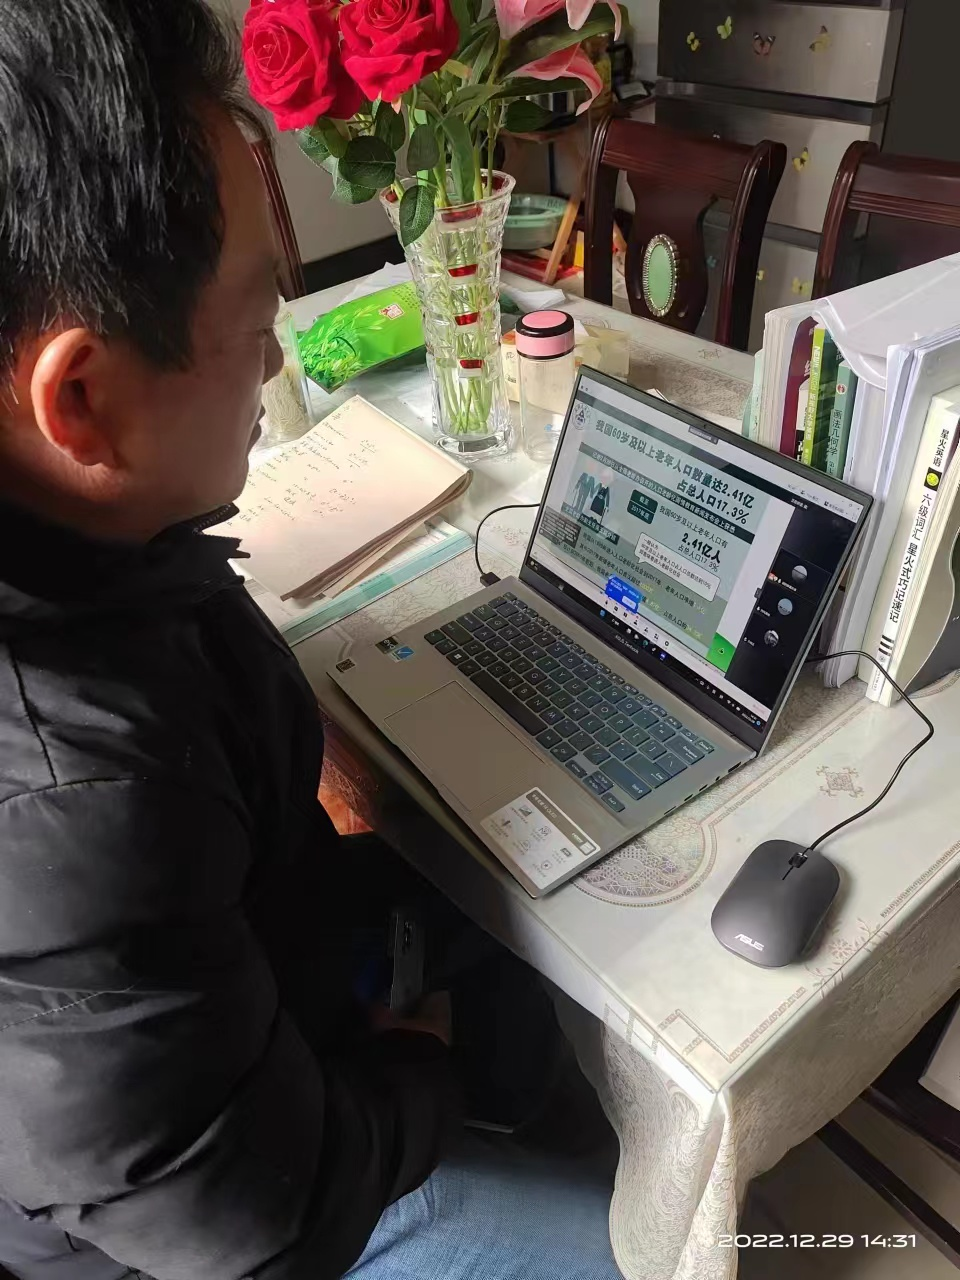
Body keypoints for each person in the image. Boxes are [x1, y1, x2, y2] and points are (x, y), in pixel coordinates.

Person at [0, 2, 624, 1277]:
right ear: (83, 400)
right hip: (209, 1229)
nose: (276, 352)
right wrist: (419, 1076)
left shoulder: (87, 544)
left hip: (243, 1002)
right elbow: (248, 1220)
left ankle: (525, 1114)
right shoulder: (73, 797)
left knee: (488, 894)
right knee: (644, 1251)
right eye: (254, 318)